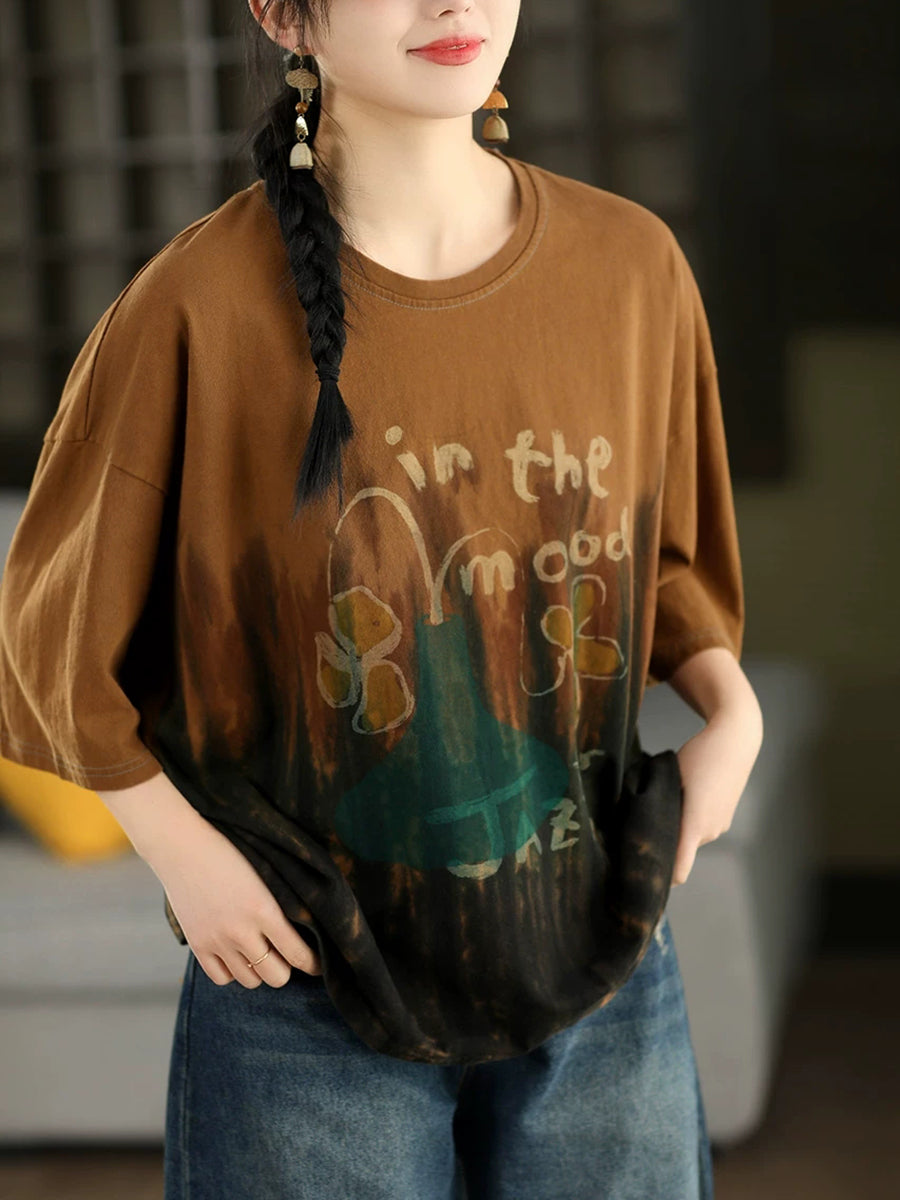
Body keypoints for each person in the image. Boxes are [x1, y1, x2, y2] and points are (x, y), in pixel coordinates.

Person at [0, 0, 764, 1196]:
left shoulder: (630, 269)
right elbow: (47, 636)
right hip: (302, 990)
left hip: (601, 955)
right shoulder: (192, 308)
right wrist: (184, 858)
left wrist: (734, 714)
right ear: (281, 12)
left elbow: (657, 562)